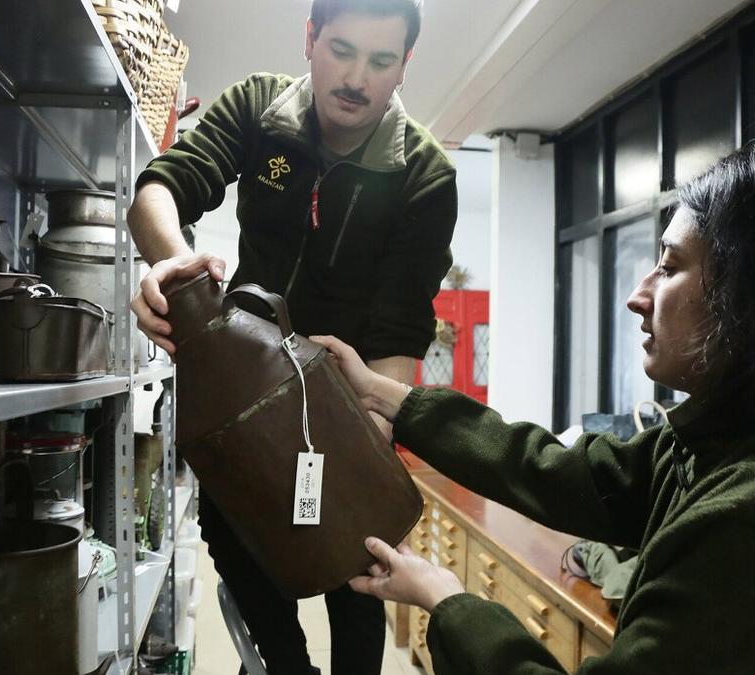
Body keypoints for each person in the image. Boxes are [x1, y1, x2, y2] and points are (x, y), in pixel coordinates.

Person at [312, 143, 755, 674]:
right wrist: (381, 392)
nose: (638, 297)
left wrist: (449, 601)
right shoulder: (727, 443)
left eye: (669, 267)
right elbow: (563, 472)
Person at [127, 0, 457, 672]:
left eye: (381, 60)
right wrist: (169, 261)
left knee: (356, 575)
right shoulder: (258, 108)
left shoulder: (424, 174)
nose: (357, 78)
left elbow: (399, 331)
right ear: (309, 38)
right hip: (244, 384)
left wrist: (370, 450)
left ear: (404, 67)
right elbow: (159, 190)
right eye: (342, 50)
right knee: (227, 523)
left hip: (346, 400)